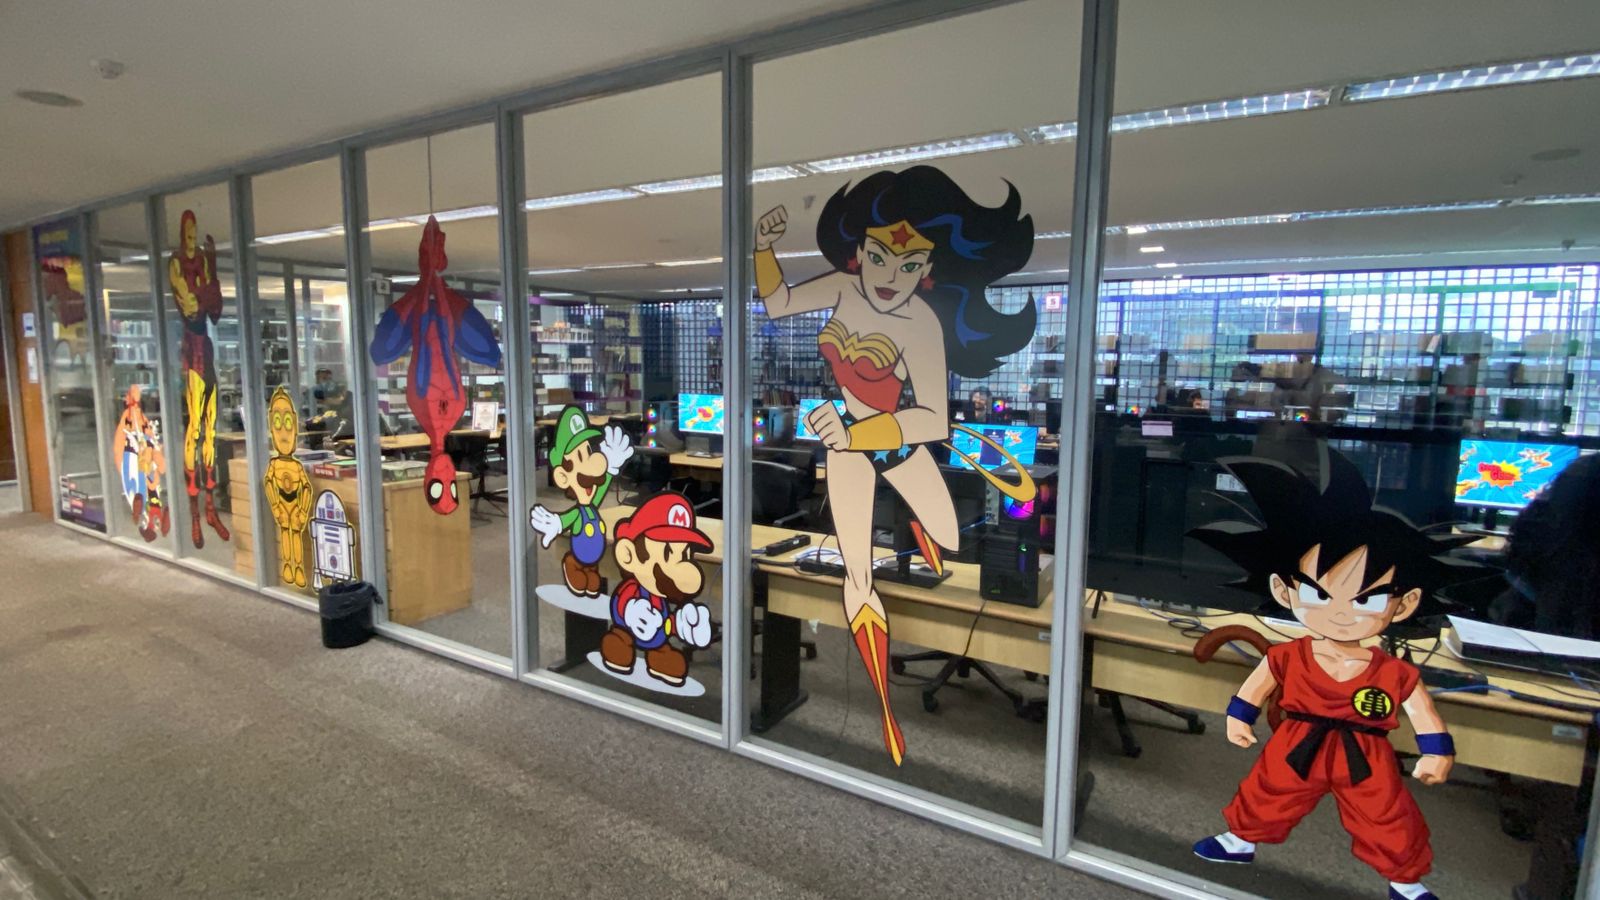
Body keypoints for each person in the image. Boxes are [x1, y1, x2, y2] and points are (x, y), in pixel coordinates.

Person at [754, 165, 1037, 765]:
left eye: (909, 266)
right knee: (858, 575)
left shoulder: (922, 324)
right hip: (848, 447)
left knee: (948, 537)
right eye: (880, 258)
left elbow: (931, 418)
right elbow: (778, 304)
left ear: (928, 270)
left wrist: (859, 431)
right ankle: (883, 710)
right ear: (859, 253)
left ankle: (916, 526)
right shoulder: (841, 287)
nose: (890, 277)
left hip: (898, 440)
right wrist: (762, 249)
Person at [1187, 451, 1483, 900]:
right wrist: (1238, 716)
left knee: (1385, 814)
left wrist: (1436, 752)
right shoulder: (1290, 654)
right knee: (1268, 791)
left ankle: (1404, 879)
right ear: (1284, 590)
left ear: (1404, 604)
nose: (1341, 613)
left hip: (1365, 753)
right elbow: (1257, 685)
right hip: (1296, 745)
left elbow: (1422, 713)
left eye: (1366, 599)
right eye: (1318, 594)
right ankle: (1241, 839)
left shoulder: (1394, 672)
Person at [599, 492, 715, 688]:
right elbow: (622, 603)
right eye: (668, 553)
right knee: (621, 640)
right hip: (628, 629)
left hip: (658, 635)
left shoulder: (658, 595)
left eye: (685, 555)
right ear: (628, 554)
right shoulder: (635, 588)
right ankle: (620, 643)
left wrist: (683, 626)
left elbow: (666, 620)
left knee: (666, 655)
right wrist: (631, 612)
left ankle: (659, 656)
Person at [167, 209, 230, 547]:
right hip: (191, 352)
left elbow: (214, 310)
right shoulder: (176, 264)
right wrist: (205, 291)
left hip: (206, 347)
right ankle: (194, 514)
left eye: (194, 234)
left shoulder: (203, 264)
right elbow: (192, 306)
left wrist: (213, 270)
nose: (192, 240)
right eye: (188, 234)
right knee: (194, 429)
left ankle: (210, 509)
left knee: (210, 431)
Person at [529, 406, 634, 597]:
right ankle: (573, 564)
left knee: (594, 581)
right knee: (582, 579)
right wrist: (557, 523)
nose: (594, 461)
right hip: (580, 558)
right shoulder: (579, 512)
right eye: (580, 457)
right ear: (562, 477)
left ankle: (589, 570)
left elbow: (600, 488)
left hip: (594, 559)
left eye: (588, 451)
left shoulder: (590, 504)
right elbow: (569, 518)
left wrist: (611, 466)